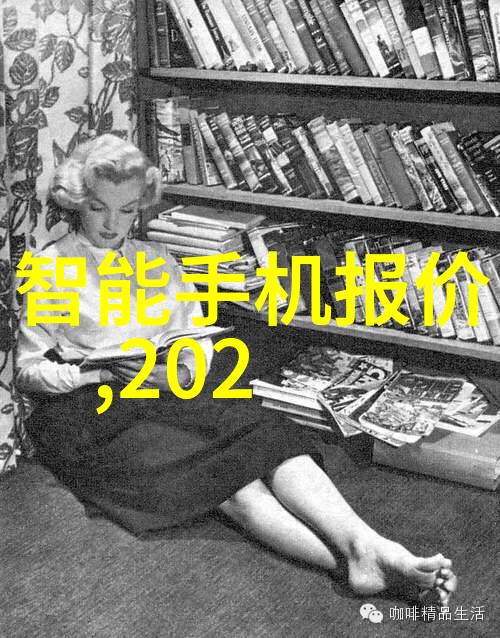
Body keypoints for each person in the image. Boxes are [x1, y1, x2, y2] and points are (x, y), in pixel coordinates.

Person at [16, 134, 456, 605]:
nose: (112, 223)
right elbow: (29, 369)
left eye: (126, 210)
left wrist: (185, 371)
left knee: (270, 436)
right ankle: (353, 565)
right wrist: (98, 375)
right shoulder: (51, 267)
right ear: (78, 202)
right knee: (233, 483)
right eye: (99, 208)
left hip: (164, 389)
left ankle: (367, 543)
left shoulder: (156, 260)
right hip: (91, 411)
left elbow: (194, 338)